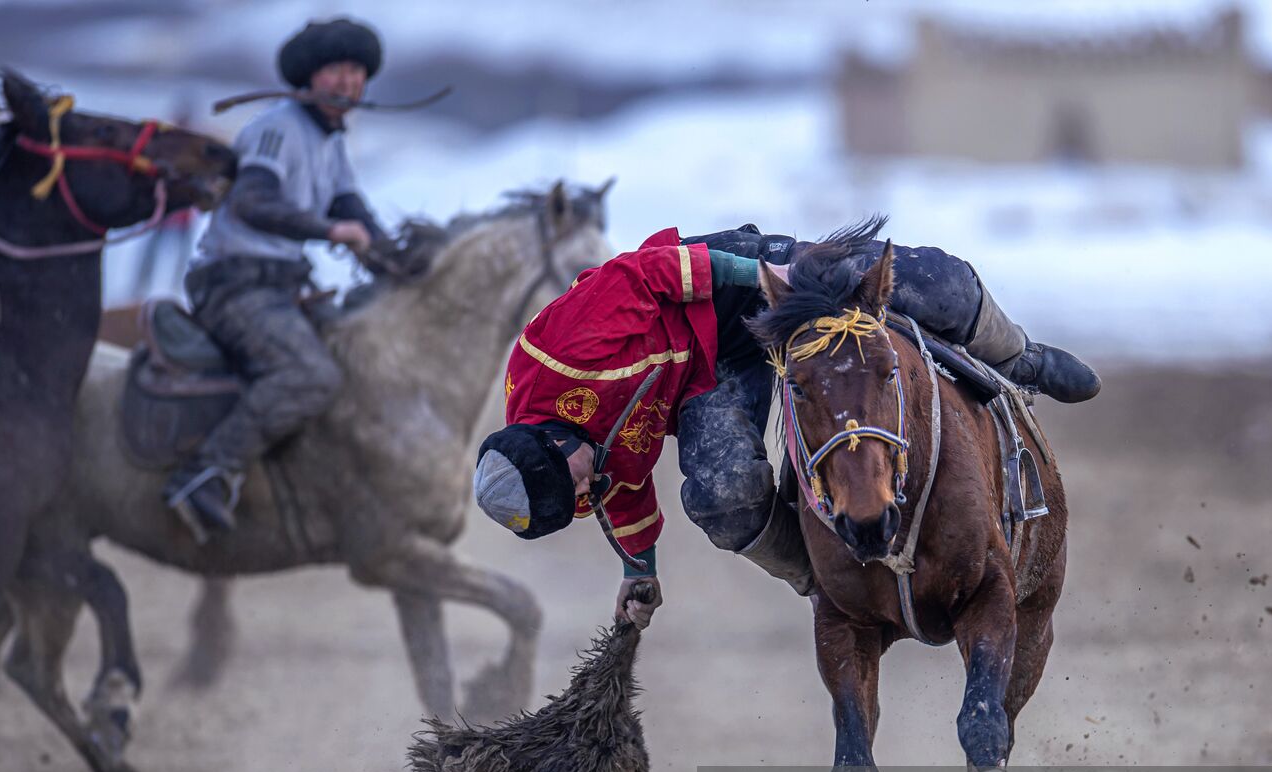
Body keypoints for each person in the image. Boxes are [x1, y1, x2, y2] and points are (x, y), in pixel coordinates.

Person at [472, 223, 1100, 629]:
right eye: (579, 502)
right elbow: (624, 498)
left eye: (578, 488)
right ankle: (836, 582)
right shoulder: (576, 466)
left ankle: (1021, 357)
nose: (589, 496)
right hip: (708, 377)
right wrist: (640, 573)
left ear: (553, 444)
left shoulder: (556, 352)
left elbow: (646, 273)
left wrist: (769, 279)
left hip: (729, 290)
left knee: (930, 283)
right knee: (722, 500)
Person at [165, 17, 389, 537]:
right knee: (310, 375)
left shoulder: (330, 142)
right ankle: (205, 474)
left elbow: (356, 210)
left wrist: (404, 258)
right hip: (235, 283)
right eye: (336, 69)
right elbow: (252, 201)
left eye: (356, 71)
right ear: (309, 77)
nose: (348, 81)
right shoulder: (277, 127)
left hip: (283, 286)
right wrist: (330, 229)